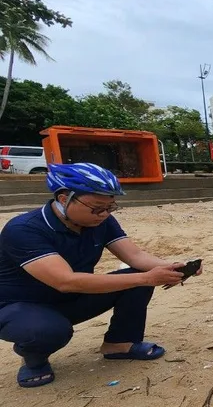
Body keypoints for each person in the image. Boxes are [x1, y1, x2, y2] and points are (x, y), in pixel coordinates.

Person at [0, 163, 202, 388]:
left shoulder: (101, 222)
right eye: (97, 208)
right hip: (20, 307)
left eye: (110, 207)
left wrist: (173, 267)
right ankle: (34, 360)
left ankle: (119, 343)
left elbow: (135, 256)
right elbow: (64, 281)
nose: (104, 214)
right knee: (48, 330)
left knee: (139, 275)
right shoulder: (24, 229)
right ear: (64, 198)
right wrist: (147, 278)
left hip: (73, 297)